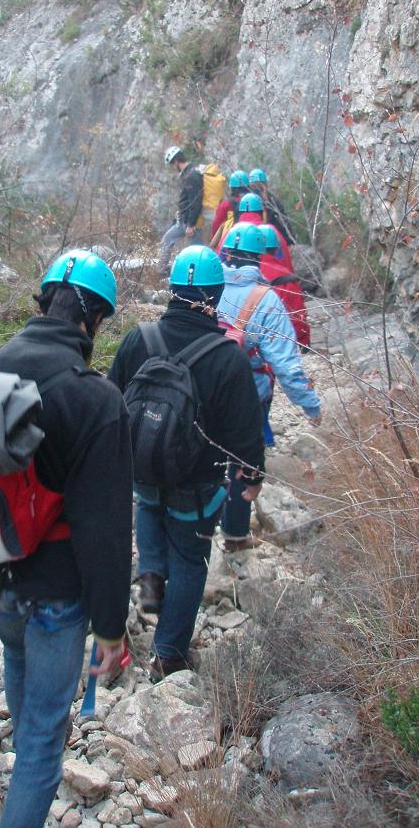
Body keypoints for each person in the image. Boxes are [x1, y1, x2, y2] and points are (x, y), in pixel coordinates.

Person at [0, 249, 133, 828]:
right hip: (59, 595)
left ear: (44, 300)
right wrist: (111, 627)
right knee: (47, 741)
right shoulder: (97, 400)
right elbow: (104, 529)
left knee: (24, 686)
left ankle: (21, 765)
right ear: (95, 319)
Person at [108, 245, 265, 681]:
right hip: (198, 480)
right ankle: (169, 654)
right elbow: (244, 430)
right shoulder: (227, 356)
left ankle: (152, 578)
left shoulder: (139, 338)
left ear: (172, 289)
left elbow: (112, 399)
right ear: (216, 295)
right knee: (192, 561)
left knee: (150, 506)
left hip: (143, 466)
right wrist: (251, 475)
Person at [217, 223, 320, 552]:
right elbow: (286, 365)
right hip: (249, 391)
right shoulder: (267, 300)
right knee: (242, 458)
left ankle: (195, 523)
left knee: (206, 452)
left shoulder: (207, 285)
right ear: (260, 256)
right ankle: (233, 534)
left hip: (203, 387)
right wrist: (311, 405)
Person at [258, 224, 311, 349]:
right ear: (276, 248)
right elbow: (297, 315)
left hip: (247, 346)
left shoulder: (239, 276)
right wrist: (303, 343)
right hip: (279, 343)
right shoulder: (285, 277)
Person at [159, 145, 203, 276]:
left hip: (191, 223)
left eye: (172, 164)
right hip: (183, 220)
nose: (173, 168)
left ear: (176, 161)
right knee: (167, 239)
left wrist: (191, 224)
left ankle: (194, 278)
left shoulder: (192, 176)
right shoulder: (188, 174)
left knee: (193, 252)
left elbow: (195, 201)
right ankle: (160, 271)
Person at [248, 167, 296, 247]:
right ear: (266, 185)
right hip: (271, 243)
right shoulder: (273, 202)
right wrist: (289, 241)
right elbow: (283, 223)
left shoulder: (246, 202)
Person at [209, 170, 250, 248]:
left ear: (231, 187)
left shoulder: (226, 204)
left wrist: (214, 240)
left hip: (229, 242)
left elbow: (217, 224)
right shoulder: (254, 202)